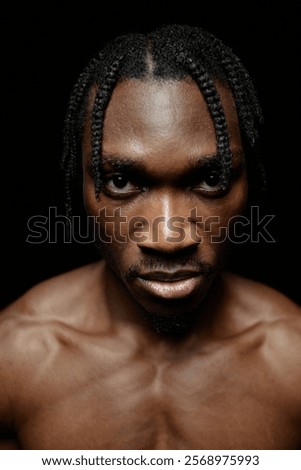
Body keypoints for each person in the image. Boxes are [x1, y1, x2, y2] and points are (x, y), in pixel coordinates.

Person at [0, 23, 300, 451]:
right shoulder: (13, 359)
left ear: (250, 181)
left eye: (211, 179)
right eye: (121, 181)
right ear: (78, 188)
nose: (168, 237)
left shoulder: (293, 359)